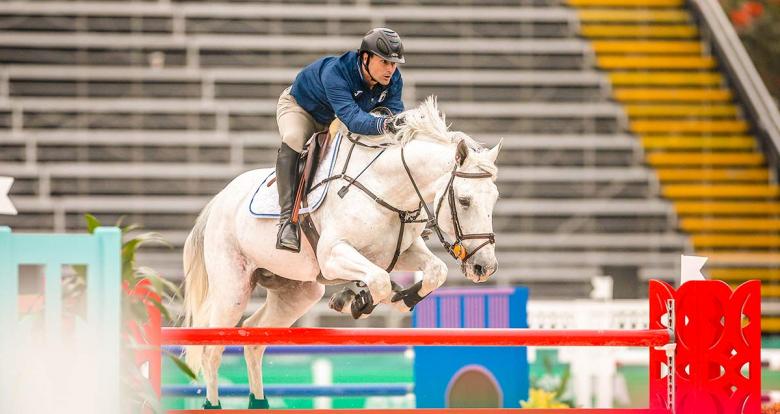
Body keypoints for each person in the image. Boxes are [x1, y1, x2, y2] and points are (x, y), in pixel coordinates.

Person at [274, 27, 407, 252]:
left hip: (336, 118)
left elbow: (392, 113)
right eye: (384, 62)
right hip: (302, 109)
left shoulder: (393, 79)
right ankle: (287, 220)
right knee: (295, 138)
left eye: (394, 64)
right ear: (365, 57)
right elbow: (354, 119)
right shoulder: (336, 71)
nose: (390, 70)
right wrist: (387, 124)